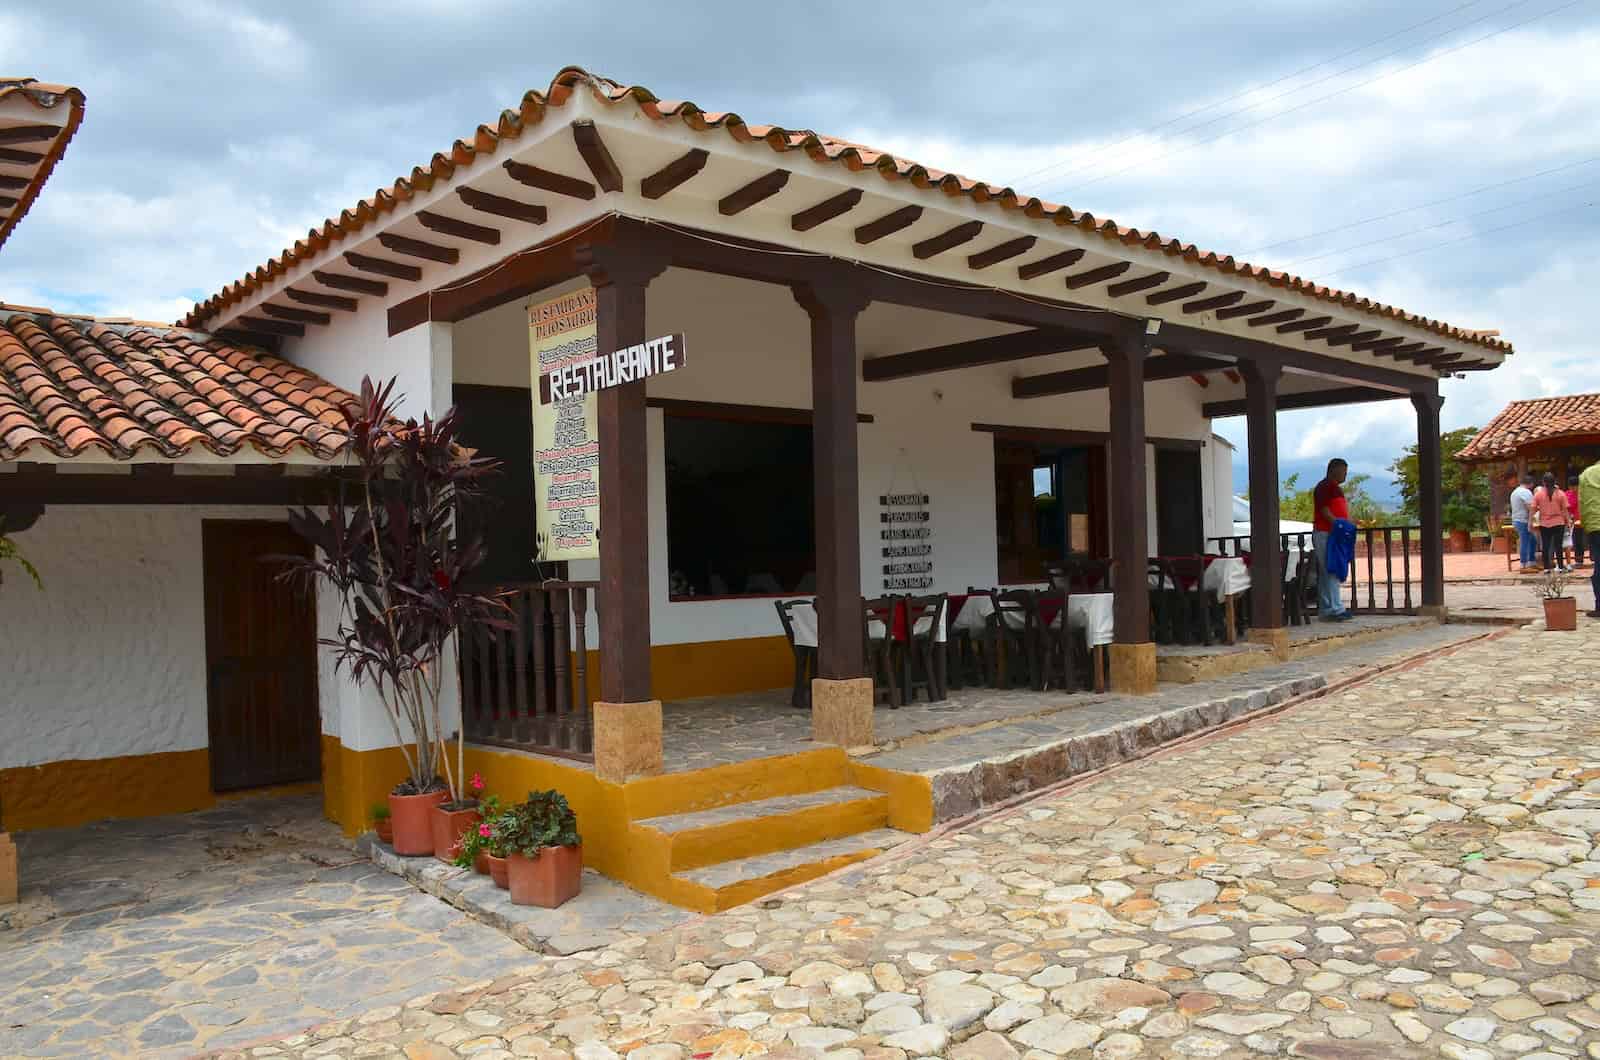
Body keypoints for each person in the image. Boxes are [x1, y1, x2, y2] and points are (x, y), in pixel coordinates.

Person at [1312, 458, 1353, 622]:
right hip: (1326, 533)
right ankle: (1334, 608)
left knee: (1329, 571)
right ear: (1333, 469)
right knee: (1331, 569)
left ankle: (1328, 608)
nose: (1345, 475)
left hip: (1334, 534)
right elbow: (1324, 510)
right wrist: (1338, 524)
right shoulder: (1324, 487)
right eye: (1343, 471)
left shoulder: (1335, 488)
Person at [1531, 472, 1570, 572]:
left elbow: (1533, 508)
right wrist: (1568, 521)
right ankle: (1560, 567)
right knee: (1558, 545)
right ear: (1554, 481)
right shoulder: (1561, 493)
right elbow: (1565, 510)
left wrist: (1530, 522)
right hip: (1559, 522)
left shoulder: (1538, 494)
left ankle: (1546, 568)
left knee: (1546, 546)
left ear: (1543, 482)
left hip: (1544, 523)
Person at [1580, 458, 1600, 617]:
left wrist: (1587, 525)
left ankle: (1599, 606)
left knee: (1599, 565)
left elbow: (1583, 503)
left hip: (1595, 526)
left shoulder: (1586, 475)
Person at [1508, 472, 1537, 573]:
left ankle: (1531, 562)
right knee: (1525, 541)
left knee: (1532, 540)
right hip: (1523, 520)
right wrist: (1531, 522)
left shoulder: (1515, 491)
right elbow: (1531, 509)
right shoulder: (1526, 492)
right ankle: (1523, 564)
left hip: (1517, 519)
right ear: (1531, 483)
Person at [1566, 475, 1585, 569]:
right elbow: (1566, 507)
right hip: (1574, 521)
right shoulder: (1567, 494)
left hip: (1585, 519)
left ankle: (1595, 558)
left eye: (1575, 486)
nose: (1573, 488)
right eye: (1571, 486)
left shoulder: (1583, 493)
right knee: (1577, 540)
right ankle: (1579, 560)